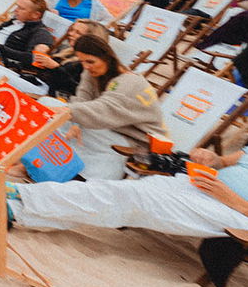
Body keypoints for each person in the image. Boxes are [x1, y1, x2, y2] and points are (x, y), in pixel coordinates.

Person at [0, 97, 248, 256]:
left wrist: (244, 206)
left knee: (135, 199)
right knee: (125, 191)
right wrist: (212, 158)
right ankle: (20, 202)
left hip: (241, 215)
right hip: (206, 187)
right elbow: (224, 161)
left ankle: (17, 204)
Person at [52, 33, 169, 180]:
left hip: (139, 141)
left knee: (55, 113)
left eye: (90, 61)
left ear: (107, 57)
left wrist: (70, 111)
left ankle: (78, 172)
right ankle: (55, 165)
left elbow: (105, 108)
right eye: (82, 62)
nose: (86, 67)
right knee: (53, 109)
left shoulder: (130, 83)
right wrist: (75, 123)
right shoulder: (91, 73)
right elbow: (82, 99)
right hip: (110, 129)